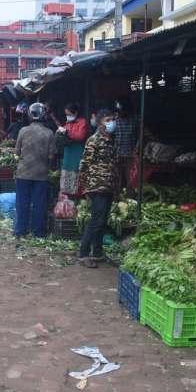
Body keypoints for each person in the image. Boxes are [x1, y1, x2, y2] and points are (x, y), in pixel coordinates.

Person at [77, 109, 118, 268]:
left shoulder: (111, 140)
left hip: (108, 186)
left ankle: (98, 253)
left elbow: (114, 166)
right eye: (108, 120)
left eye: (112, 119)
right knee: (96, 220)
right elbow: (84, 165)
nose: (111, 122)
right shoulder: (94, 140)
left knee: (102, 221)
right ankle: (83, 253)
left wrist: (115, 189)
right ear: (100, 122)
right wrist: (85, 187)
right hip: (96, 186)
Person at [14, 103, 57, 238]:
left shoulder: (23, 131)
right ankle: (39, 232)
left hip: (23, 173)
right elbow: (51, 155)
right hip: (41, 174)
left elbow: (17, 151)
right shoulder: (49, 133)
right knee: (39, 204)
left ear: (30, 115)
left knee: (22, 203)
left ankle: (20, 231)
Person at [57, 103, 90, 196]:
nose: (68, 116)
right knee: (67, 178)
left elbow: (80, 136)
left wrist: (67, 132)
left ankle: (79, 197)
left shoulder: (82, 122)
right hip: (68, 154)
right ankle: (68, 199)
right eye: (66, 115)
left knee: (78, 175)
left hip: (78, 153)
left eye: (69, 114)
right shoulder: (67, 124)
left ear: (75, 113)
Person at [113, 97, 138, 195]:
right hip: (116, 152)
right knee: (116, 176)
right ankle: (116, 195)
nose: (120, 113)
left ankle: (130, 195)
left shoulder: (135, 119)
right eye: (119, 111)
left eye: (122, 111)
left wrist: (137, 148)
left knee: (130, 176)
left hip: (130, 153)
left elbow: (140, 135)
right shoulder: (114, 119)